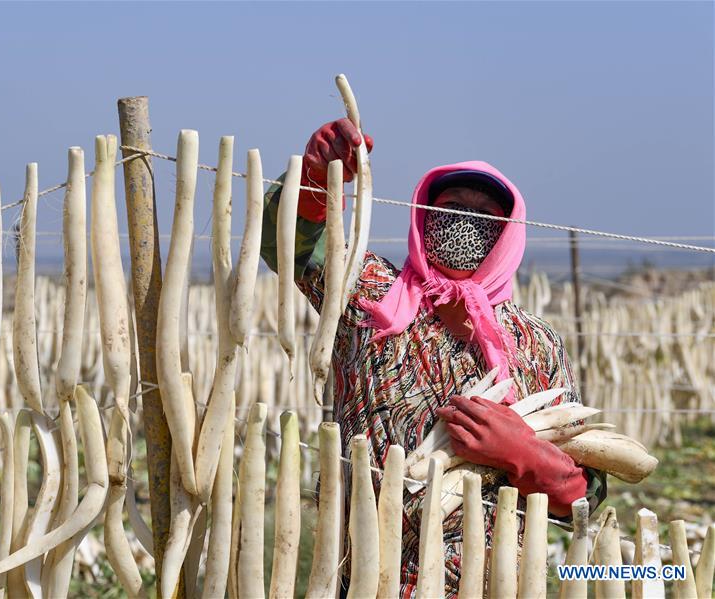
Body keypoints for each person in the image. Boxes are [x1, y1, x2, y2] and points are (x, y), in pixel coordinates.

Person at [259, 118, 607, 598]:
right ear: (424, 214)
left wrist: (529, 458)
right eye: (452, 207)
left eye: (486, 215)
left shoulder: (535, 342)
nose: (467, 222)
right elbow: (291, 245)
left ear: (507, 235)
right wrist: (318, 179)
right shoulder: (368, 295)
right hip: (369, 580)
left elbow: (584, 496)